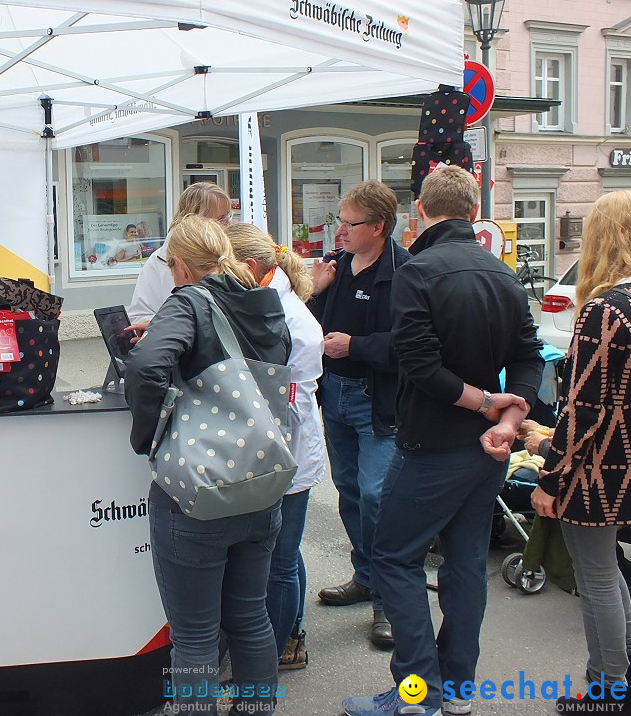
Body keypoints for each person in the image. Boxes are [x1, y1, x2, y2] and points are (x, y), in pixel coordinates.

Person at [345, 165, 543, 716]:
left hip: (434, 443)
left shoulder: (419, 269)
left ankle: (418, 694)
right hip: (487, 449)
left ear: (420, 212)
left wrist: (491, 408)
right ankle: (455, 693)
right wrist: (507, 416)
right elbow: (528, 358)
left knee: (393, 558)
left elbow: (419, 364)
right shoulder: (499, 273)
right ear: (475, 213)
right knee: (463, 563)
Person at [125, 215, 290, 715]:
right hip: (261, 484)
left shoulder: (189, 300)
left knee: (195, 636)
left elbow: (146, 366)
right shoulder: (264, 302)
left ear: (179, 263)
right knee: (250, 617)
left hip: (197, 495)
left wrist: (145, 436)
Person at [532, 190, 631, 712]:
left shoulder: (606, 309)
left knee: (597, 577)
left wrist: (550, 474)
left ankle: (609, 688)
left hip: (599, 467)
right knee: (608, 573)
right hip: (623, 460)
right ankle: (618, 676)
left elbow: (584, 408)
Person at [306, 181, 409, 648]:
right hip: (336, 395)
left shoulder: (404, 271)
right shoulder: (338, 268)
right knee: (349, 491)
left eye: (349, 224)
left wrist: (356, 346)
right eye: (339, 222)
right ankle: (365, 577)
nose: (340, 231)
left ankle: (389, 601)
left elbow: (412, 345)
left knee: (376, 495)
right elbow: (307, 330)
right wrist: (314, 292)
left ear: (379, 227)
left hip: (376, 400)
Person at [226, 223, 325, 672]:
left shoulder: (290, 321)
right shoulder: (269, 304)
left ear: (249, 268)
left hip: (287, 460)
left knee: (280, 562)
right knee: (286, 554)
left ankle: (274, 655)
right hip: (278, 457)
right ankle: (291, 634)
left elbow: (291, 409)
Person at [127, 182, 232, 327]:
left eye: (228, 217)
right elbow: (139, 317)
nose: (228, 225)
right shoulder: (160, 259)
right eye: (221, 219)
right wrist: (168, 327)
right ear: (197, 220)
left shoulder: (228, 253)